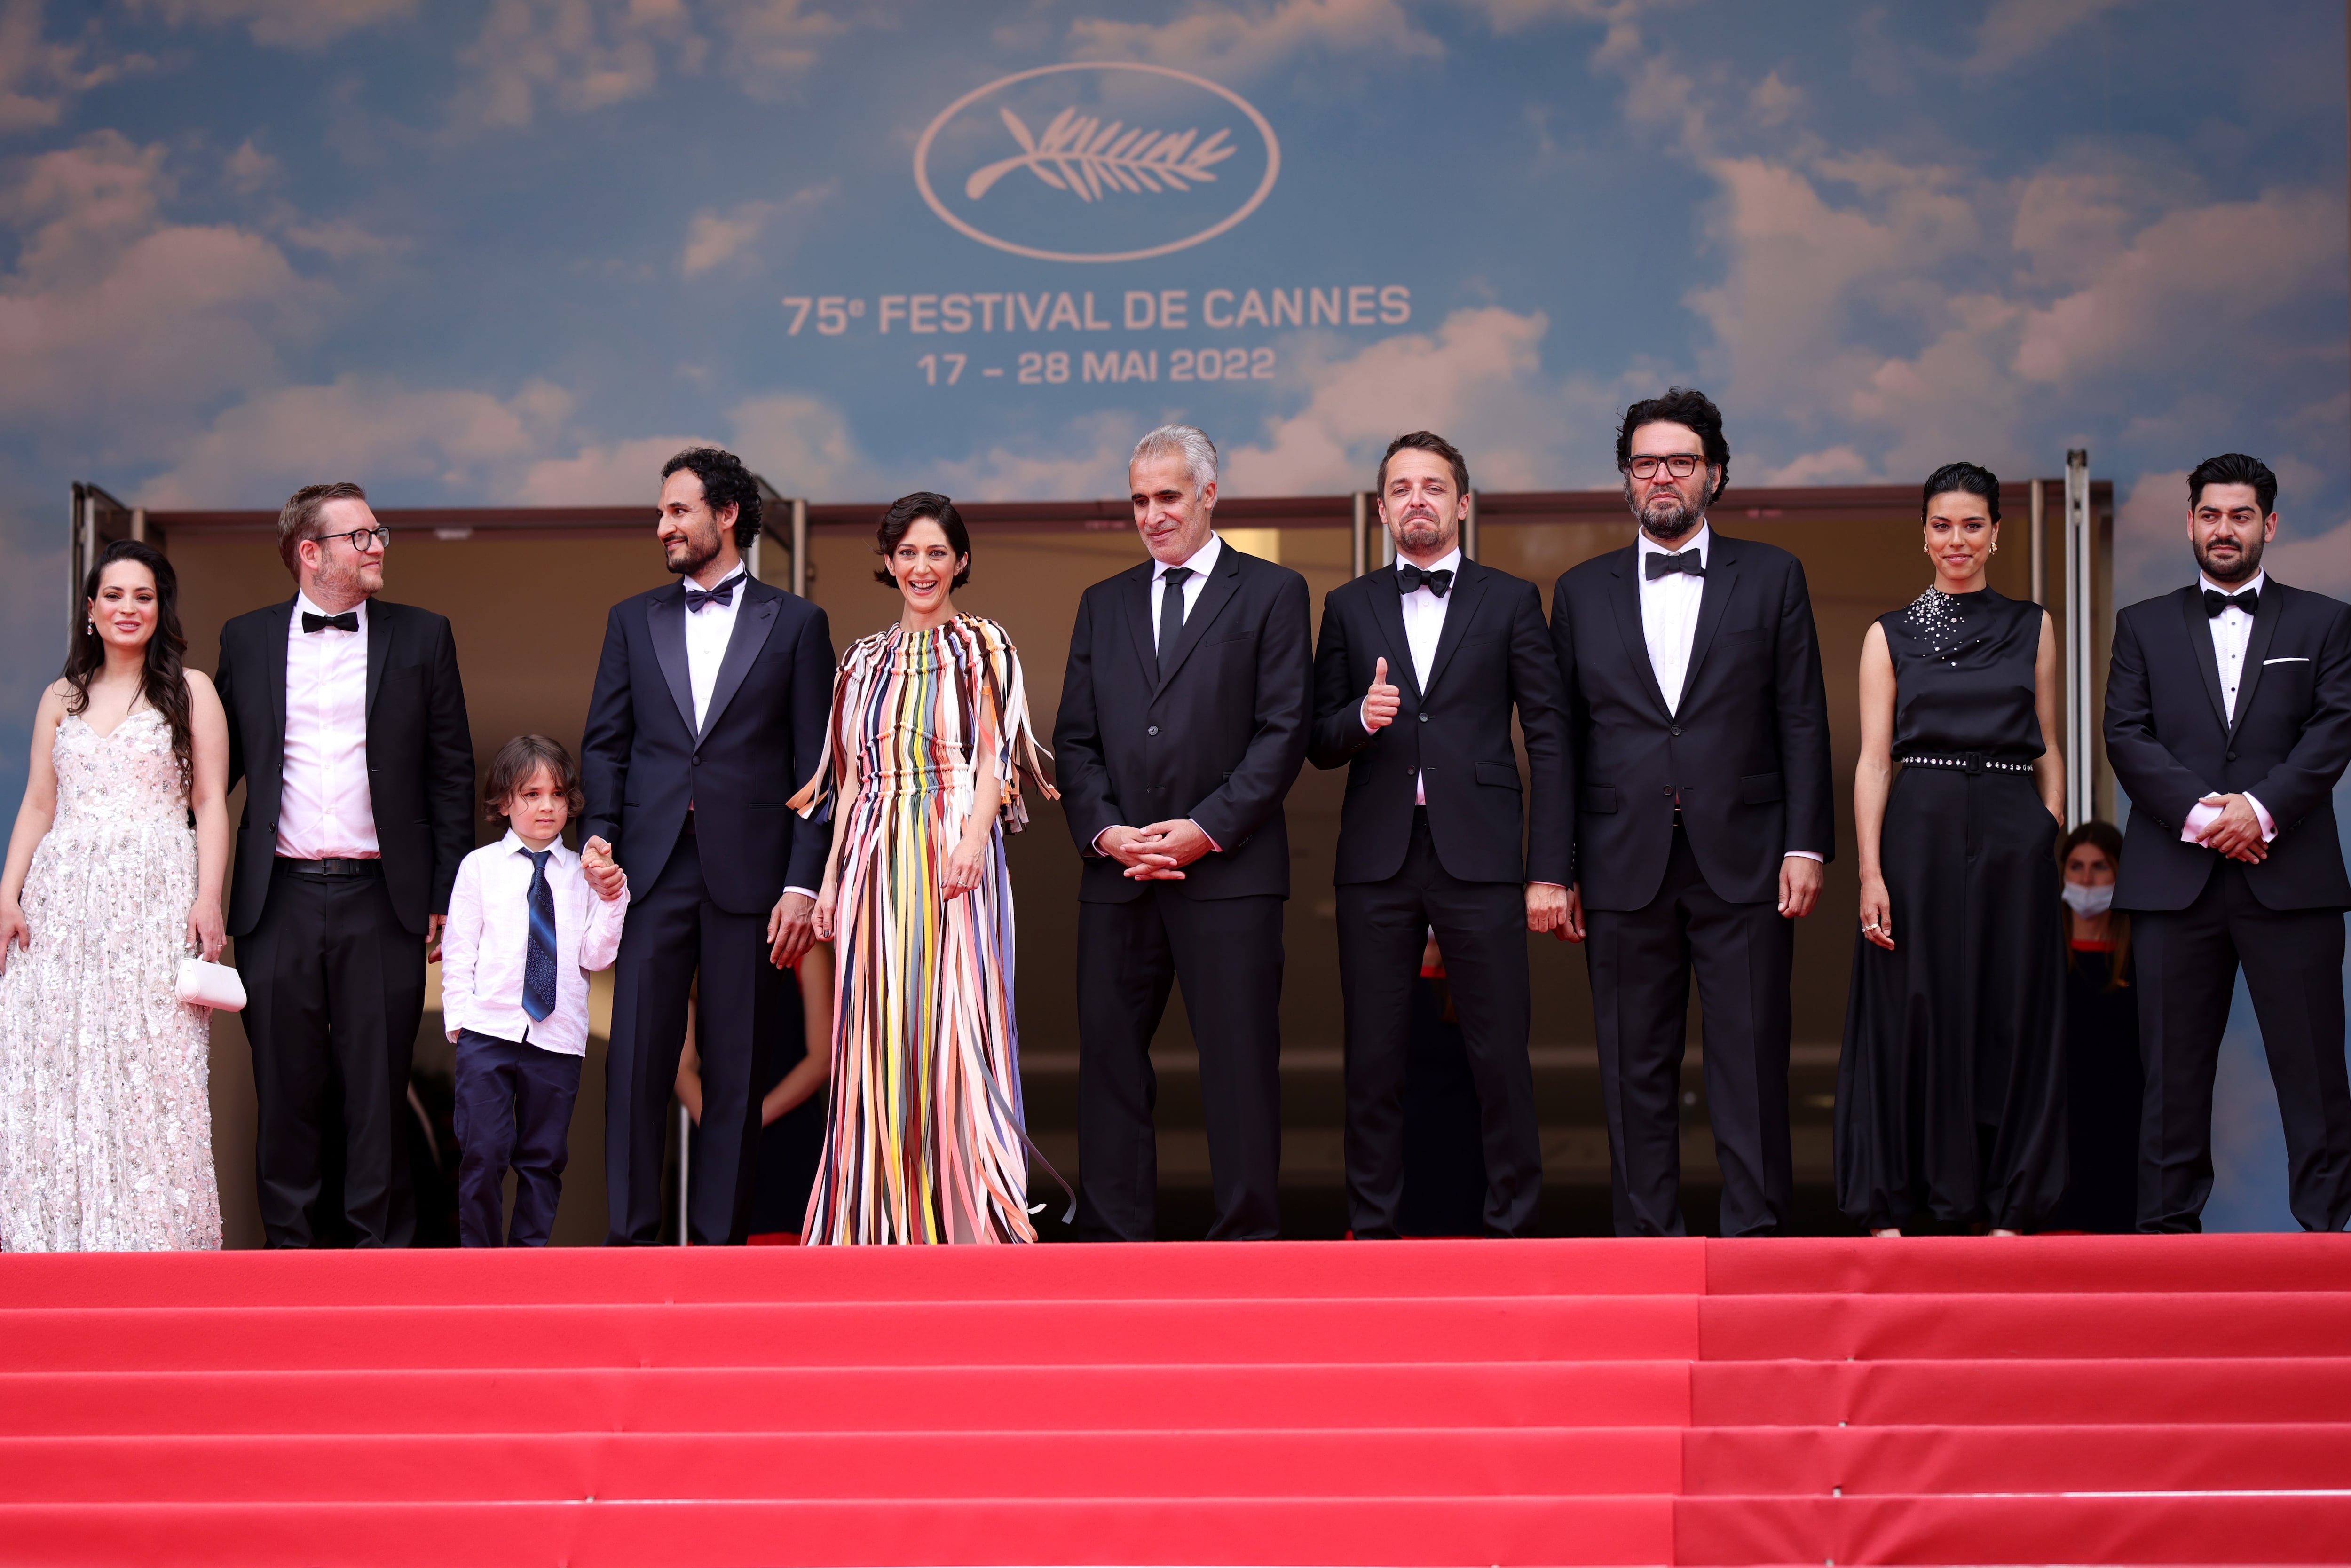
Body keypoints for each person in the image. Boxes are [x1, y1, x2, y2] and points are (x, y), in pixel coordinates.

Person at [1549, 388, 1834, 1238]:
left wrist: (1807, 846)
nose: (1661, 476)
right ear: (1626, 480)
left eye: (1679, 461)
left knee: (1748, 1061)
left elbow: (1803, 719)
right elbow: (1561, 738)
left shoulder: (1775, 574)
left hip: (1746, 856)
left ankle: (1757, 1240)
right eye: (1644, 463)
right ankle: (1646, 1244)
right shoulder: (1579, 590)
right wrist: (1554, 865)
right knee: (1634, 1066)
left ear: (1715, 473)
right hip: (1619, 859)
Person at [1053, 425, 1312, 1242]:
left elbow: (1283, 733)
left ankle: (1246, 1240)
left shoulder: (1273, 592)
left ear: (1208, 495)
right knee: (1110, 1067)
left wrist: (1205, 829)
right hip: (1121, 875)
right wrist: (1106, 834)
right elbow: (1076, 740)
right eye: (1139, 500)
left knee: (1238, 1067)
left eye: (1168, 496)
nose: (1153, 515)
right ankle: (1114, 1241)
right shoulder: (1104, 603)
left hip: (1228, 873)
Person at [1307, 430, 1568, 1238]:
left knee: (1499, 1055)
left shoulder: (1512, 598)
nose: (1417, 499)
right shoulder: (1349, 606)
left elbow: (1553, 736)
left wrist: (1549, 868)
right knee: (1375, 1060)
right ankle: (1377, 1233)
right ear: (1382, 509)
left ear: (1462, 503)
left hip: (1483, 854)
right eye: (1401, 488)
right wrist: (1359, 718)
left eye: (1434, 486)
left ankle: (1513, 1229)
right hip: (1379, 859)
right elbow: (1317, 738)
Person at [581, 447, 834, 1245]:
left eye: (678, 511)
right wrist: (600, 835)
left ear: (727, 515)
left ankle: (720, 1254)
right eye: (662, 512)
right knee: (635, 1068)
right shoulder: (630, 618)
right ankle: (632, 1243)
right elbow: (606, 745)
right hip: (650, 873)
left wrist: (801, 885)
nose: (664, 526)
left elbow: (815, 771)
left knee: (736, 1070)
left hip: (751, 878)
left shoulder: (797, 624)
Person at [789, 494, 1057, 1244]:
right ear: (887, 562)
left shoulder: (985, 645)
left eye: (936, 552)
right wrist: (833, 882)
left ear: (961, 561)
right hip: (875, 854)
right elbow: (847, 783)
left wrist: (974, 839)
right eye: (907, 552)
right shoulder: (860, 659)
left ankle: (976, 1222)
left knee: (956, 1029)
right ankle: (877, 1224)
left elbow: (994, 758)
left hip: (950, 854)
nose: (921, 567)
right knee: (879, 1034)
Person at [214, 483, 475, 1248]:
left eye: (378, 533)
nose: (378, 546)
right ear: (310, 552)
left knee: (376, 1094)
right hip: (278, 899)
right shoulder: (245, 639)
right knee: (286, 1093)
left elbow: (450, 772)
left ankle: (379, 1268)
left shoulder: (425, 636)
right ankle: (286, 1265)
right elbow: (213, 774)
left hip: (382, 899)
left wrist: (444, 893)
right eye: (361, 536)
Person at [2105, 452, 2351, 1233]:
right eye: (2210, 514)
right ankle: (2168, 1243)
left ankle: (2329, 1234)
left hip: (2294, 879)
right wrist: (2212, 819)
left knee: (2314, 1073)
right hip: (2174, 883)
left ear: (2268, 525)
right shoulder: (2141, 625)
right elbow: (2126, 734)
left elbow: (2333, 728)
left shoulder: (2326, 622)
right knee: (2171, 1079)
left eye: (2240, 515)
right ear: (2190, 523)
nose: (2223, 529)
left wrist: (2260, 809)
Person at [1838, 463, 2067, 1237]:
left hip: (2013, 830)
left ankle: (2011, 1203)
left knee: (2011, 1008)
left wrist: (2050, 829)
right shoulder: (1889, 633)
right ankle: (1898, 1204)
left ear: (1997, 534)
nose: (1957, 539)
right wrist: (1870, 871)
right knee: (1916, 1007)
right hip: (1920, 828)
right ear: (1924, 535)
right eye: (1943, 525)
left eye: (1973, 525)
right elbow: (1873, 760)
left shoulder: (2034, 625)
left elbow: (2050, 745)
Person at [0, 540, 229, 1251]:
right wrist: (8, 895)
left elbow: (212, 802)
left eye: (144, 596)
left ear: (160, 611)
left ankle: (154, 1244)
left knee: (150, 1065)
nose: (129, 608)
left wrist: (208, 894)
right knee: (55, 1061)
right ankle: (52, 1242)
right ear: (91, 610)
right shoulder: (59, 697)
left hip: (154, 893)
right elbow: (40, 804)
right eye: (115, 596)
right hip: (62, 900)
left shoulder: (191, 690)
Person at [438, 736, 628, 1247]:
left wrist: (612, 896)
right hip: (488, 1031)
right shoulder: (479, 867)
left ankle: (529, 1263)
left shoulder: (584, 875)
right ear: (504, 802)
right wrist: (459, 1020)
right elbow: (459, 949)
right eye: (531, 793)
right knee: (482, 1150)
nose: (547, 805)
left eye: (558, 794)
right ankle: (480, 1261)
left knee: (543, 1158)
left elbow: (596, 956)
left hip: (557, 1038)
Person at [677, 944, 833, 1244]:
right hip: (717, 1146)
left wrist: (750, 1119)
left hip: (788, 1141)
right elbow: (681, 1066)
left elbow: (822, 1057)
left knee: (789, 1274)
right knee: (714, 1271)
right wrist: (716, 1124)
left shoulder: (804, 946)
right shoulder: (696, 948)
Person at [2057, 820, 2139, 1234]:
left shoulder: (2142, 958)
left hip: (2125, 1127)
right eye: (2076, 866)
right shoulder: (2043, 956)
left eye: (2100, 867)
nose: (2087, 879)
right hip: (2058, 1128)